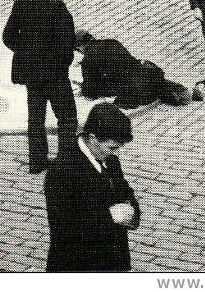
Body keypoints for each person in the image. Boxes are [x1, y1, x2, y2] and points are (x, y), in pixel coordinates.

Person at [2, 0, 78, 173]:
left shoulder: (21, 4)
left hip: (32, 75)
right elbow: (66, 43)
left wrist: (27, 53)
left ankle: (37, 161)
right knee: (66, 117)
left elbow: (8, 36)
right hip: (55, 75)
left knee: (35, 119)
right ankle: (66, 163)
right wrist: (61, 64)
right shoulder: (57, 6)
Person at [44, 102, 140, 272]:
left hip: (112, 262)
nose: (115, 153)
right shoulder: (61, 171)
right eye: (112, 147)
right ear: (93, 139)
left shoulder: (111, 161)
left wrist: (131, 210)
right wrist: (109, 218)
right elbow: (64, 230)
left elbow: (126, 193)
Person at [76, 30, 191, 108]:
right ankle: (175, 92)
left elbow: (90, 90)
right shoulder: (112, 42)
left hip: (133, 92)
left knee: (112, 87)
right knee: (145, 79)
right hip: (145, 76)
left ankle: (168, 94)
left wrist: (84, 88)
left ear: (81, 46)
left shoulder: (88, 59)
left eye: (77, 50)